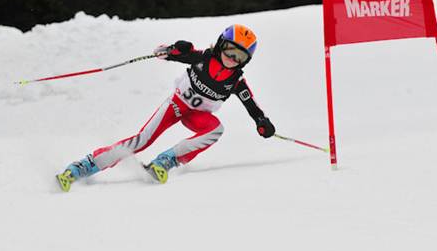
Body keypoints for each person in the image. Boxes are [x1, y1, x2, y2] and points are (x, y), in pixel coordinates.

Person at [56, 24, 275, 191]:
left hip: (198, 115)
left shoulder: (236, 81)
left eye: (240, 56)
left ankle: (166, 161)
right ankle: (83, 166)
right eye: (229, 51)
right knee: (142, 140)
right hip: (176, 105)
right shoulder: (201, 58)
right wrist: (173, 49)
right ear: (220, 45)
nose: (231, 59)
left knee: (216, 130)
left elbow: (251, 105)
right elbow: (161, 52)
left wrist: (261, 122)